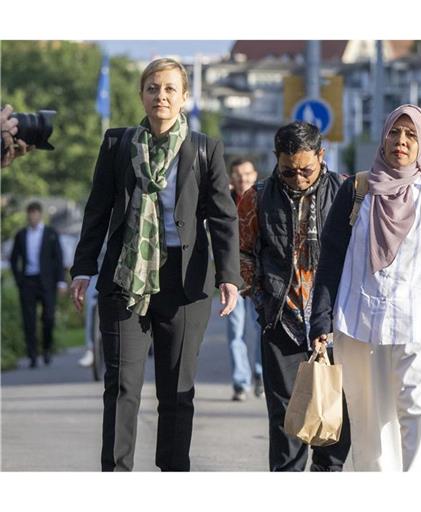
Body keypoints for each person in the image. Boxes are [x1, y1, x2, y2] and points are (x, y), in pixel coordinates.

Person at [69, 57, 242, 471]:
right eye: (152, 88)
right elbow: (98, 210)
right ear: (142, 95)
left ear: (184, 97)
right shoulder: (118, 144)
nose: (160, 96)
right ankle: (117, 474)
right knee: (122, 386)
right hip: (126, 278)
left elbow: (222, 216)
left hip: (184, 284)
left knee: (177, 390)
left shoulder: (204, 148)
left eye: (169, 89)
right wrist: (82, 268)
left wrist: (229, 276)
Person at [309, 104, 421, 471]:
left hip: (418, 321)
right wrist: (319, 320)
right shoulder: (357, 190)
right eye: (394, 133)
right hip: (358, 322)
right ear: (383, 137)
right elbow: (331, 258)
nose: (401, 141)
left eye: (411, 134)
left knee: (418, 408)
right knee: (370, 419)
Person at [238, 121, 350, 471]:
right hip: (281, 318)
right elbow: (243, 252)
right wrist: (256, 294)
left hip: (336, 318)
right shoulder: (255, 197)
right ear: (276, 160)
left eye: (306, 170)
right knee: (285, 420)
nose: (298, 178)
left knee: (336, 415)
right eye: (288, 172)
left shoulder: (347, 191)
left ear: (321, 155)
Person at [10, 201, 66, 368]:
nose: (32, 217)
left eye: (35, 214)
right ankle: (32, 355)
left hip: (47, 282)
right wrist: (18, 279)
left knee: (48, 317)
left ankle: (47, 349)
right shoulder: (21, 235)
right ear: (27, 215)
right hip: (27, 282)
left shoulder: (50, 233)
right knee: (29, 320)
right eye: (30, 214)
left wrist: (61, 281)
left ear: (40, 215)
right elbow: (14, 259)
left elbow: (59, 258)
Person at [227, 158, 263, 401]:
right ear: (231, 178)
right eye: (238, 175)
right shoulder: (223, 201)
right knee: (234, 331)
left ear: (255, 175)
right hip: (231, 278)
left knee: (260, 328)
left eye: (248, 174)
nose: (243, 179)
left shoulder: (263, 199)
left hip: (259, 276)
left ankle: (260, 375)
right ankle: (241, 382)